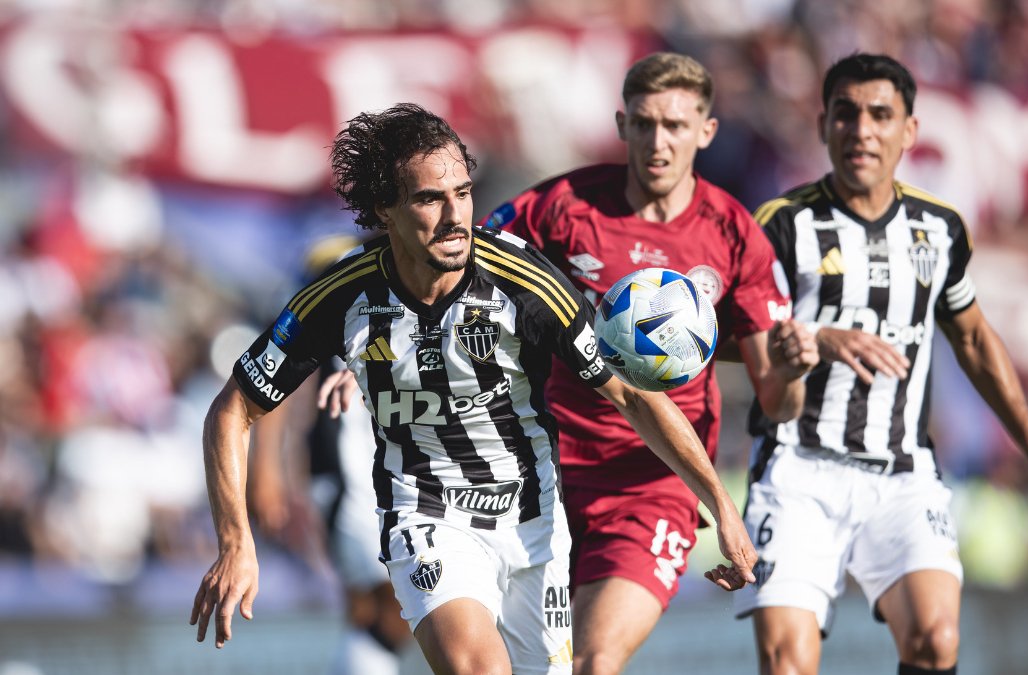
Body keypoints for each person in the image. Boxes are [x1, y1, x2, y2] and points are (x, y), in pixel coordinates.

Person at [188, 102, 758, 674]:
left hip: (533, 524)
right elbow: (232, 410)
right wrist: (235, 540)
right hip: (427, 513)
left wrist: (722, 508)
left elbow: (632, 394)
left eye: (462, 192)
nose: (454, 216)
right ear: (385, 209)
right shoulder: (341, 296)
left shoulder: (527, 283)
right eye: (429, 199)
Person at [735, 53, 1028, 675]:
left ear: (910, 131)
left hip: (901, 472)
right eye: (845, 114)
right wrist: (813, 343)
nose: (861, 130)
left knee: (936, 638)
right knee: (787, 660)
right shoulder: (782, 226)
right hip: (797, 471)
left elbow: (974, 339)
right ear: (824, 126)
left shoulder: (939, 229)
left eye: (880, 115)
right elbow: (763, 369)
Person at [480, 52, 819, 675]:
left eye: (676, 125)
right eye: (644, 124)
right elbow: (460, 269)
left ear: (706, 132)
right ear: (622, 125)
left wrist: (794, 372)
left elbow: (777, 401)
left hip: (652, 484)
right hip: (541, 476)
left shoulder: (733, 233)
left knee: (595, 659)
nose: (658, 142)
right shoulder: (563, 205)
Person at [247, 235, 413, 675]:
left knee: (377, 609)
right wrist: (266, 471)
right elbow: (276, 383)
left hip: (374, 471)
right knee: (396, 602)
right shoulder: (341, 277)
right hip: (351, 474)